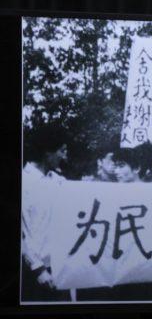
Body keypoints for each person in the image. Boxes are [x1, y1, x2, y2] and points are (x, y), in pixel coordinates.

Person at [21, 123, 71, 301]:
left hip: (60, 269)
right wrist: (38, 269)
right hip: (33, 274)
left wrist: (148, 190)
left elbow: (94, 195)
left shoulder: (58, 181)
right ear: (47, 152)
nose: (65, 156)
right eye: (62, 150)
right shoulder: (23, 182)